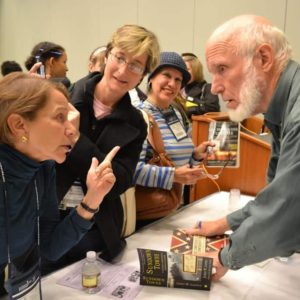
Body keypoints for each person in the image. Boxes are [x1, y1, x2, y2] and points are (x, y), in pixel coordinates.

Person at [185, 14, 300, 280]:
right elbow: (277, 195)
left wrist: (225, 258)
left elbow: (287, 210)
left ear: (264, 58)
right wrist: (225, 224)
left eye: (222, 69)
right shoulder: (281, 112)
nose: (214, 88)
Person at [0, 72, 118, 297]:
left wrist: (93, 196)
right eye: (59, 117)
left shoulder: (42, 168)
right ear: (18, 125)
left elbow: (49, 247)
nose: (73, 130)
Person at [54, 24, 160, 266]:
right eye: (119, 57)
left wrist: (76, 140)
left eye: (135, 65)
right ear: (107, 55)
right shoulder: (63, 98)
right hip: (46, 217)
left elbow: (119, 182)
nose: (123, 70)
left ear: (143, 75)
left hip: (95, 227)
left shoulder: (136, 123)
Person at [134, 52, 214, 226]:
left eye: (178, 80)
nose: (172, 84)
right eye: (167, 76)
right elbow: (133, 171)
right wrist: (174, 176)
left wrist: (195, 156)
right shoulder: (138, 116)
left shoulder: (175, 112)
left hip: (174, 208)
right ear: (151, 78)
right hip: (149, 215)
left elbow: (176, 159)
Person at [181, 52, 220, 119]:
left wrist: (187, 109)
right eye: (182, 70)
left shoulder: (207, 88)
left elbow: (213, 109)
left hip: (200, 128)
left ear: (196, 70)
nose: (184, 73)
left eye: (187, 69)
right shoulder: (178, 89)